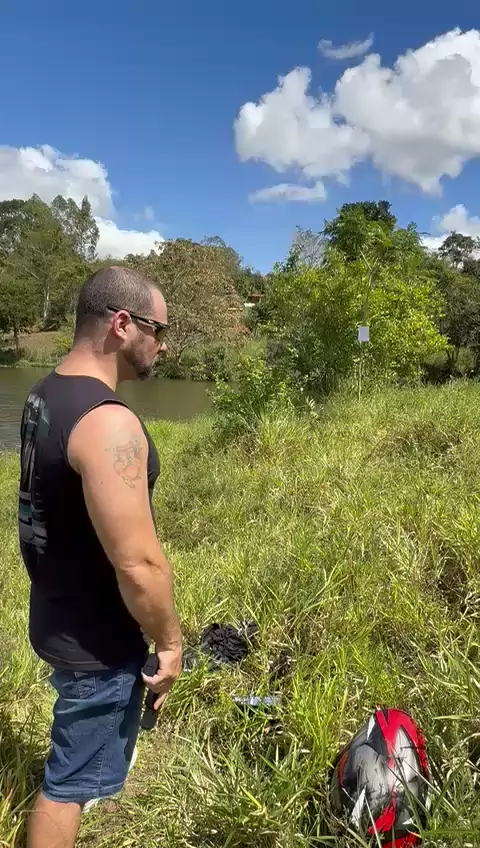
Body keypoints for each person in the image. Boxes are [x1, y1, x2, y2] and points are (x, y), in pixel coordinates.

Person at [18, 266, 183, 848]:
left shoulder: (45, 392)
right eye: (159, 330)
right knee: (66, 786)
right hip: (97, 641)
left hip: (57, 613)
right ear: (122, 324)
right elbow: (138, 562)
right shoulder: (108, 422)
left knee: (76, 763)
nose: (163, 345)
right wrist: (170, 643)